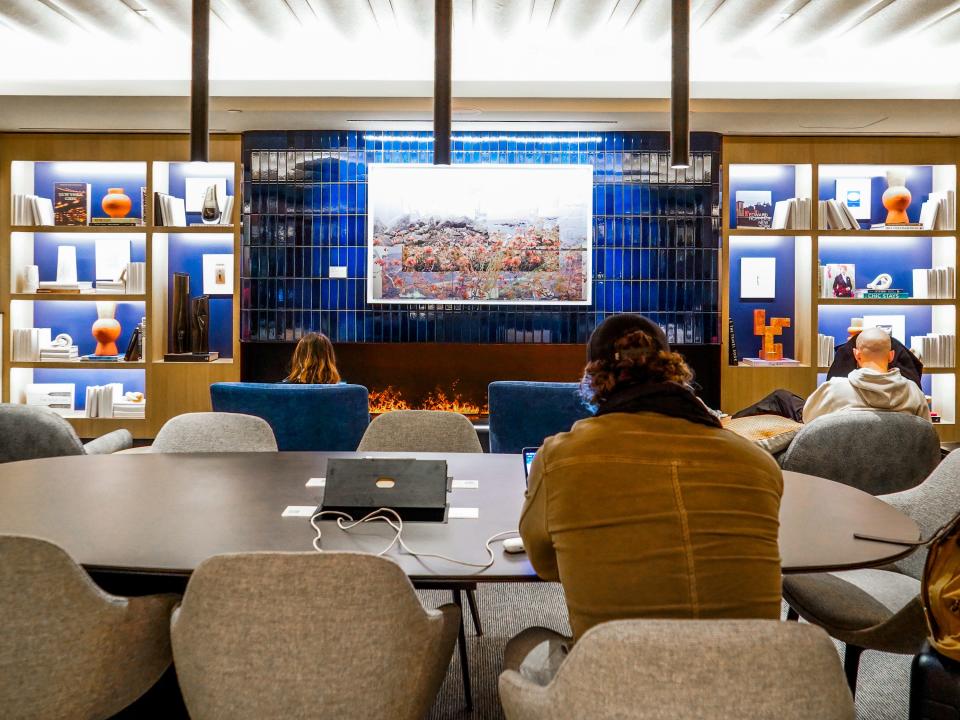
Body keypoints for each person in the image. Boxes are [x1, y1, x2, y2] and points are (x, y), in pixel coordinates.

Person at [505, 314, 783, 683]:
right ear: (675, 372)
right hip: (753, 686)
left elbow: (544, 564)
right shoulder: (756, 462)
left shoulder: (559, 458)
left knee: (523, 644)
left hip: (619, 681)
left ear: (594, 381)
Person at [802, 326, 930, 423]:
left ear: (856, 354)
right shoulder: (913, 392)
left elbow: (809, 420)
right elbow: (926, 433)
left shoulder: (834, 389)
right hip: (899, 458)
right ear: (891, 356)